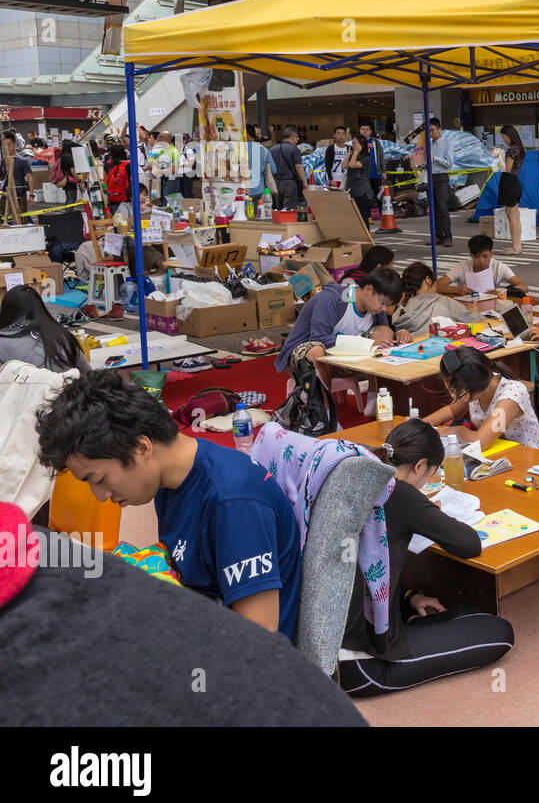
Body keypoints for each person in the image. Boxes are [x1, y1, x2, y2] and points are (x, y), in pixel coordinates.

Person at [34, 370, 302, 637]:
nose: (100, 495)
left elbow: (259, 640)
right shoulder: (171, 478)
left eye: (100, 479)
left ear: (141, 448)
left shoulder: (232, 503)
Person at [323, 420, 513, 696]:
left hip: (325, 645)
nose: (427, 483)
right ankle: (407, 625)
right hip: (361, 666)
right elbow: (469, 544)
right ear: (421, 465)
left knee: (466, 612)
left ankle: (407, 615)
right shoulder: (400, 493)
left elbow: (363, 562)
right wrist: (430, 513)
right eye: (431, 475)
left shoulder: (358, 477)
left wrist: (408, 596)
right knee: (499, 631)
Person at [274, 267, 410, 379]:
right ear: (368, 289)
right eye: (383, 303)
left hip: (342, 355)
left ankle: (374, 397)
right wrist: (364, 344)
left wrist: (399, 334)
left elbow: (384, 332)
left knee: (385, 333)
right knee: (316, 351)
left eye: (388, 305)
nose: (384, 309)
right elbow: (318, 338)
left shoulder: (376, 308)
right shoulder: (332, 299)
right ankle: (324, 410)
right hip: (305, 356)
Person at [424, 346, 539, 449]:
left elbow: (481, 442)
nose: (454, 396)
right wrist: (422, 424)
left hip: (524, 456)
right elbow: (453, 410)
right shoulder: (478, 383)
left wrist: (452, 431)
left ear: (472, 386)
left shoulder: (511, 397)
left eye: (457, 392)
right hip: (495, 452)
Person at [0, 285, 89, 374]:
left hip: (26, 387)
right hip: (68, 385)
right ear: (40, 307)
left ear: (5, 310)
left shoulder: (3, 340)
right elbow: (87, 373)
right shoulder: (61, 333)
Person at [393, 261, 482, 332]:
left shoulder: (399, 312)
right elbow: (478, 321)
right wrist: (475, 311)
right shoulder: (443, 302)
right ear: (428, 280)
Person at [436, 235, 528, 298]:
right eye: (477, 257)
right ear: (471, 255)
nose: (481, 260)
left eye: (485, 256)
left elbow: (523, 287)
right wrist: (456, 289)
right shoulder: (463, 267)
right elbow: (436, 286)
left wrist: (501, 291)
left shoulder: (499, 267)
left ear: (492, 254)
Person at [425, 117, 454, 248]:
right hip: (430, 177)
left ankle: (448, 236)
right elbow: (426, 161)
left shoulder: (447, 143)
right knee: (433, 209)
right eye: (429, 131)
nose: (431, 133)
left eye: (432, 130)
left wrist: (434, 158)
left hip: (441, 177)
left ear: (439, 129)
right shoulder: (428, 143)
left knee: (442, 208)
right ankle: (437, 236)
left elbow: (449, 163)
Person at [498, 124, 525, 254]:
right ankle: (518, 245)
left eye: (504, 137)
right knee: (515, 216)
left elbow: (507, 169)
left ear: (509, 136)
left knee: (512, 217)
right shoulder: (519, 148)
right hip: (515, 182)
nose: (504, 140)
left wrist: (498, 157)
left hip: (509, 182)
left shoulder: (511, 150)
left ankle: (515, 247)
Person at [270, 127, 307, 210]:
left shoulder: (273, 149)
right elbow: (298, 166)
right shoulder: (294, 149)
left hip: (276, 183)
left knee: (278, 209)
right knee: (289, 209)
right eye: (297, 138)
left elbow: (270, 167)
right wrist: (304, 181)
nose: (297, 140)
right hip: (290, 183)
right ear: (293, 137)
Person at [344, 128, 376, 227]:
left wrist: (356, 152)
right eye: (352, 143)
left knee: (362, 216)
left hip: (362, 191)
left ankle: (367, 239)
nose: (352, 145)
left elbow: (352, 165)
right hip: (352, 189)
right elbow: (343, 165)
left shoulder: (366, 158)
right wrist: (349, 153)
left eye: (354, 143)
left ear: (361, 145)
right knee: (355, 218)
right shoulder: (353, 156)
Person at [1, 131, 33, 206]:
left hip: (20, 195)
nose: (7, 148)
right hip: (5, 195)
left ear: (14, 144)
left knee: (22, 216)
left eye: (9, 145)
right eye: (4, 146)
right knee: (4, 216)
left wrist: (31, 195)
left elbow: (30, 178)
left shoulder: (22, 160)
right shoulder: (2, 161)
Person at [243, 124, 272, 202]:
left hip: (243, 191)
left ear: (247, 135)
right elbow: (273, 170)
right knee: (259, 213)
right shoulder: (264, 150)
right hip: (260, 190)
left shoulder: (239, 149)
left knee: (243, 213)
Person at [358, 123, 384, 203]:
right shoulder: (356, 142)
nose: (365, 131)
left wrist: (383, 171)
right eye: (363, 129)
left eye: (367, 129)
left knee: (377, 196)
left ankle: (379, 214)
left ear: (371, 131)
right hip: (361, 175)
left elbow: (381, 157)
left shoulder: (376, 142)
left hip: (375, 174)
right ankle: (365, 215)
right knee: (363, 196)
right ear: (360, 130)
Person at [323, 125, 350, 190]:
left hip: (346, 179)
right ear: (334, 135)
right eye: (338, 133)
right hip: (335, 179)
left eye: (343, 134)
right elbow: (327, 165)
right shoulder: (331, 148)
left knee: (346, 199)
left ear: (345, 136)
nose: (341, 136)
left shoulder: (349, 148)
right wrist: (331, 179)